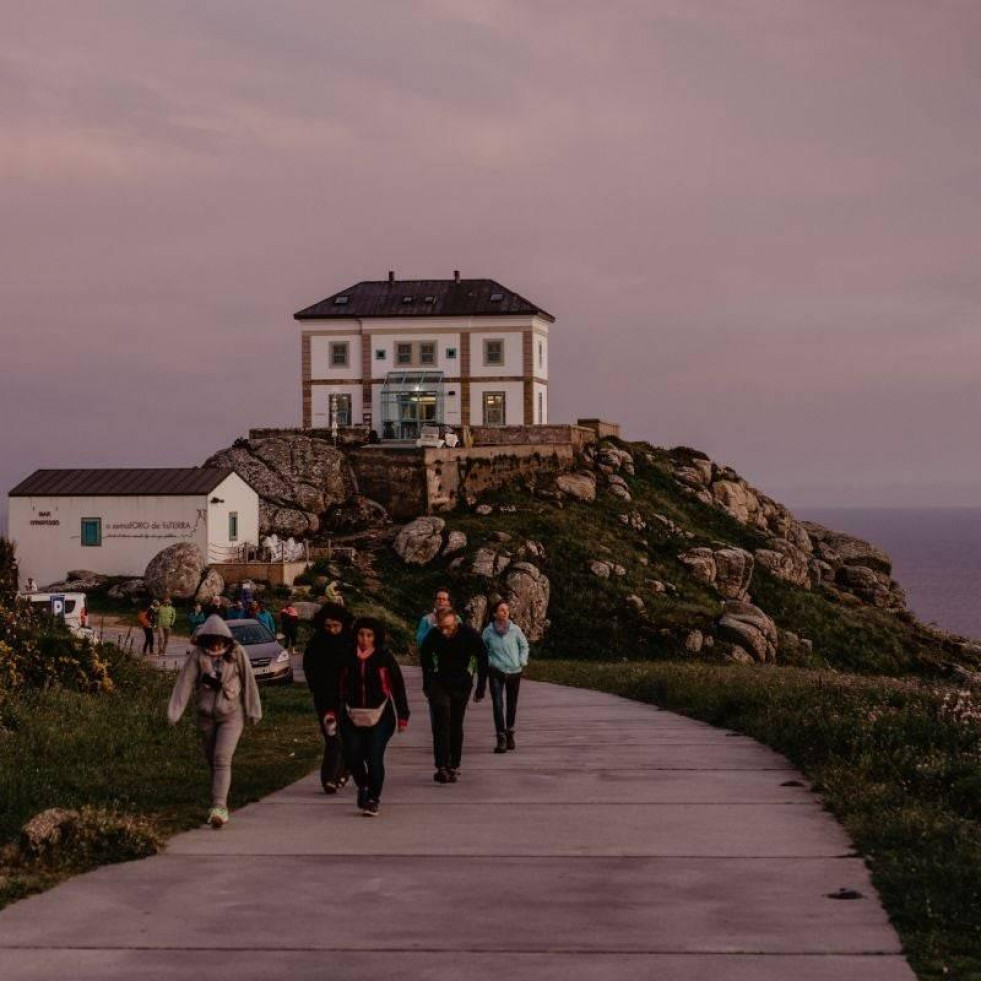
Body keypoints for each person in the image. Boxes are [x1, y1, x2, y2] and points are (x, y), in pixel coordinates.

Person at [167, 615, 262, 828]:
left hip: (231, 714)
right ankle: (219, 794)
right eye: (211, 640)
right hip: (205, 716)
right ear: (204, 639)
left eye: (219, 639)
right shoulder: (198, 655)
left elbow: (249, 681)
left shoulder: (237, 653)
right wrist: (174, 713)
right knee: (213, 760)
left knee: (221, 758)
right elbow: (184, 683)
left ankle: (219, 807)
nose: (216, 644)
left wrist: (253, 710)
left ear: (226, 638)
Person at [325, 617, 409, 817]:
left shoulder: (384, 657)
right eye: (361, 635)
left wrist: (403, 715)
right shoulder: (346, 657)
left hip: (381, 716)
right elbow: (336, 686)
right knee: (353, 756)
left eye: (369, 635)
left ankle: (373, 799)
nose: (364, 639)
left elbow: (397, 686)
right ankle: (363, 785)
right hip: (352, 714)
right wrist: (331, 711)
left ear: (376, 637)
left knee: (373, 757)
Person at [419, 608, 487, 784]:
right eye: (441, 627)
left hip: (461, 684)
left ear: (456, 623)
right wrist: (427, 681)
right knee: (441, 720)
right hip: (440, 681)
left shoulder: (469, 634)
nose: (444, 632)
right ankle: (441, 766)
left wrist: (481, 687)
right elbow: (424, 654)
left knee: (456, 723)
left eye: (448, 628)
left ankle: (453, 764)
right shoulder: (435, 634)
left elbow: (483, 657)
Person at [303, 603, 353, 793]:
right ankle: (329, 778)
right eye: (328, 626)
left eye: (336, 626)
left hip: (348, 699)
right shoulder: (316, 643)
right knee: (332, 736)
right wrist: (316, 686)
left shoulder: (350, 643)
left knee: (348, 738)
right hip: (325, 700)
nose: (332, 630)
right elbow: (309, 667)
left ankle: (344, 770)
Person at [482, 600, 530, 753]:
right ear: (495, 613)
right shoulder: (488, 632)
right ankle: (500, 737)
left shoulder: (515, 630)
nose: (505, 612)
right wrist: (490, 663)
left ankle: (510, 732)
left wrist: (522, 661)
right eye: (501, 610)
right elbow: (482, 650)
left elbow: (524, 646)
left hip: (514, 671)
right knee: (497, 704)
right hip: (496, 671)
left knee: (511, 704)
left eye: (507, 610)